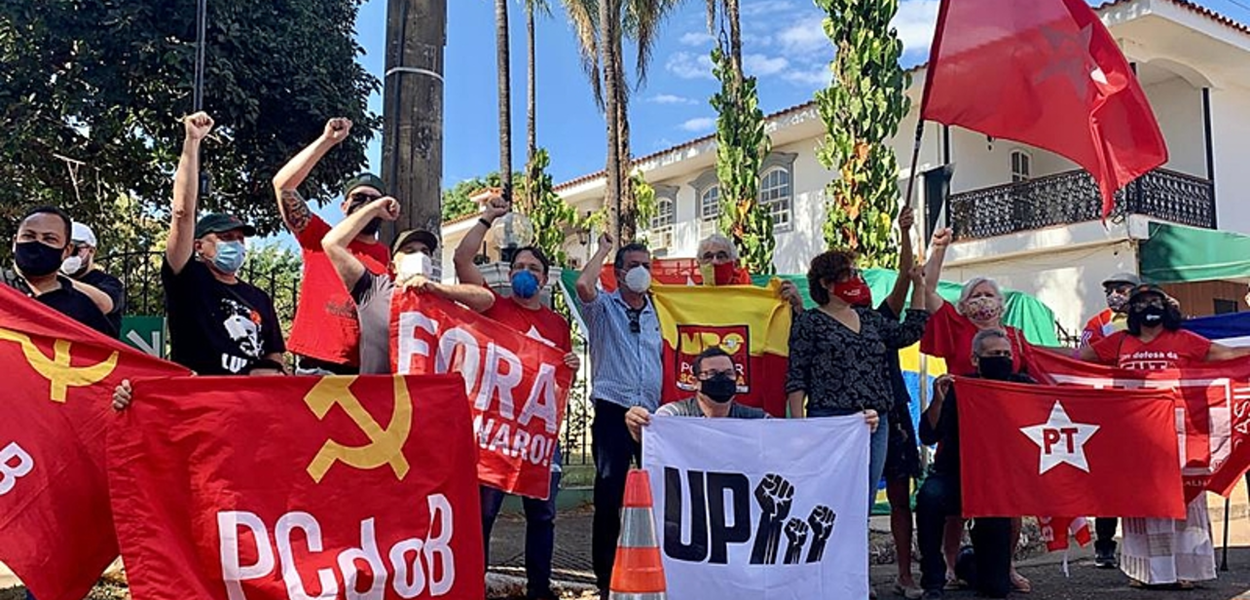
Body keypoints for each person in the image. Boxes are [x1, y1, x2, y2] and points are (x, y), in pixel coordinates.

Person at [1077, 284, 1250, 589]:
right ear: (1132, 311)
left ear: (1166, 307)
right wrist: (1026, 349)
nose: (1149, 306)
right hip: (1135, 437)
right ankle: (1145, 573)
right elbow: (1076, 358)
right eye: (1142, 302)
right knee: (1140, 503)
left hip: (1179, 436)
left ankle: (1187, 571)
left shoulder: (1184, 339)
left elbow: (1228, 355)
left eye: (1155, 300)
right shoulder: (1118, 342)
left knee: (1183, 500)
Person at [453, 195, 580, 600]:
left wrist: (571, 368)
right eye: (519, 267)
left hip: (539, 437)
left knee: (542, 515)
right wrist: (486, 218)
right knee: (484, 514)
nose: (526, 273)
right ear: (510, 274)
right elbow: (462, 261)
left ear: (544, 279)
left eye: (533, 269)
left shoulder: (558, 325)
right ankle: (473, 586)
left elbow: (560, 383)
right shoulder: (493, 306)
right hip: (494, 433)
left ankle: (540, 592)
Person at [919, 265, 1031, 592]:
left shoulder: (1022, 382)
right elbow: (928, 435)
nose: (1001, 358)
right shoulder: (955, 386)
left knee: (995, 588)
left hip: (1000, 474)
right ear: (975, 359)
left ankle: (995, 566)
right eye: (976, 296)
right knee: (932, 497)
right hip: (956, 470)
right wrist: (939, 401)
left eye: (1004, 354)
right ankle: (941, 573)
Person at [786, 248, 927, 505]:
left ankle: (858, 544)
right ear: (827, 283)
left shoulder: (869, 319)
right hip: (831, 420)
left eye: (856, 272)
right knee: (830, 497)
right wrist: (801, 427)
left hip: (875, 420)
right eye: (849, 273)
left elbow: (908, 333)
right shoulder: (810, 323)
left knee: (864, 498)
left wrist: (919, 286)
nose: (856, 279)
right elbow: (797, 375)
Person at [161, 112, 285, 375]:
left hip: (249, 405)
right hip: (200, 399)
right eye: (225, 238)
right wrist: (192, 142)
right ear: (198, 246)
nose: (236, 244)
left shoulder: (259, 298)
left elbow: (275, 352)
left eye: (240, 238)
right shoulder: (188, 278)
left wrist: (272, 372)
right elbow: (182, 214)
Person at [574, 233, 663, 597]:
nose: (641, 272)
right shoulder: (604, 308)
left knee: (659, 495)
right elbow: (582, 284)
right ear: (619, 272)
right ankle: (605, 579)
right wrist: (603, 250)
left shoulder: (663, 310)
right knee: (609, 496)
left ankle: (659, 574)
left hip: (655, 415)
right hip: (613, 409)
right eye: (633, 266)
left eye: (647, 266)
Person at [273, 118, 392, 375]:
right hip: (316, 366)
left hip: (367, 371)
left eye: (374, 200)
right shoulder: (319, 237)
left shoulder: (390, 257)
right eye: (358, 198)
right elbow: (283, 186)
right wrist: (327, 141)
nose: (366, 204)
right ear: (344, 206)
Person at [322, 196, 492, 375]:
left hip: (426, 397)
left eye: (425, 251)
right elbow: (332, 244)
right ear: (393, 266)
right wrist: (376, 207)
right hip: (381, 397)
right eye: (409, 251)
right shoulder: (374, 289)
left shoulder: (441, 299)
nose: (419, 255)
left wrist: (436, 288)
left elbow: (486, 300)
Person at [876, 208, 947, 600]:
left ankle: (906, 575)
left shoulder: (879, 319)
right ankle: (854, 575)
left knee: (902, 500)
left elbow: (907, 277)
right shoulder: (824, 323)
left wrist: (904, 232)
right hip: (851, 420)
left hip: (894, 415)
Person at [1079, 271, 1140, 569]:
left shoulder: (1157, 319)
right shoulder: (1097, 323)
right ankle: (1104, 546)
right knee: (1107, 480)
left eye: (1122, 289)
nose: (1115, 294)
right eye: (1111, 289)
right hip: (1108, 409)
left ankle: (1146, 548)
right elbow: (1082, 357)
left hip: (1144, 410)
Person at [4, 207, 113, 336]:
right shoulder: (2, 288)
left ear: (66, 251)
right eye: (29, 236)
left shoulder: (84, 310)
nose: (37, 243)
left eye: (50, 239)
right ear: (15, 243)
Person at [625, 346, 768, 440]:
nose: (721, 378)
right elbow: (653, 437)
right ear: (695, 382)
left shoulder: (758, 419)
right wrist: (638, 427)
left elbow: (779, 436)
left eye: (728, 373)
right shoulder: (674, 414)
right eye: (712, 373)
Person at [695, 232, 803, 310]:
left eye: (721, 256)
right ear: (699, 265)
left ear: (736, 264)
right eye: (708, 257)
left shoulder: (755, 298)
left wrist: (796, 307)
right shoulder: (687, 299)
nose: (714, 262)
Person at [60, 222, 125, 337]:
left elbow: (103, 304)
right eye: (64, 249)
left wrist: (60, 280)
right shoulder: (52, 282)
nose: (68, 255)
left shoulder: (108, 282)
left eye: (75, 249)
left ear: (91, 251)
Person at [1081, 272, 1141, 350]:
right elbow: (1088, 354)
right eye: (1108, 292)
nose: (1113, 295)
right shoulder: (1099, 323)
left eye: (1120, 291)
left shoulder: (1152, 316)